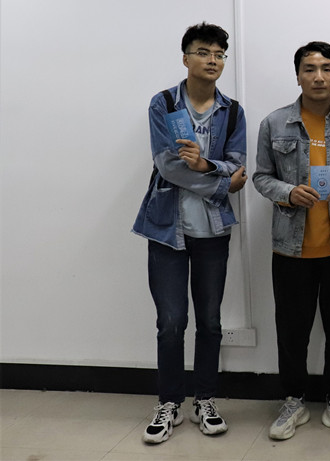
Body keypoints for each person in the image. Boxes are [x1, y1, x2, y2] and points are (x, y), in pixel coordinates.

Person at [252, 41, 330, 442]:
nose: (319, 76)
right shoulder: (275, 123)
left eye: (327, 68)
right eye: (309, 69)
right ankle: (294, 400)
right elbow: (260, 176)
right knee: (292, 331)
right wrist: (288, 192)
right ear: (298, 76)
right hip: (291, 247)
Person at [132, 22, 247, 444]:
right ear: (185, 58)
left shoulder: (232, 111)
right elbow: (167, 164)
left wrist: (205, 165)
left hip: (213, 230)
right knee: (171, 322)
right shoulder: (163, 104)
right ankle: (169, 403)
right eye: (203, 52)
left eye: (219, 54)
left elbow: (237, 163)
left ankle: (205, 399)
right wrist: (218, 182)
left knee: (211, 321)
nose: (212, 60)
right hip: (167, 228)